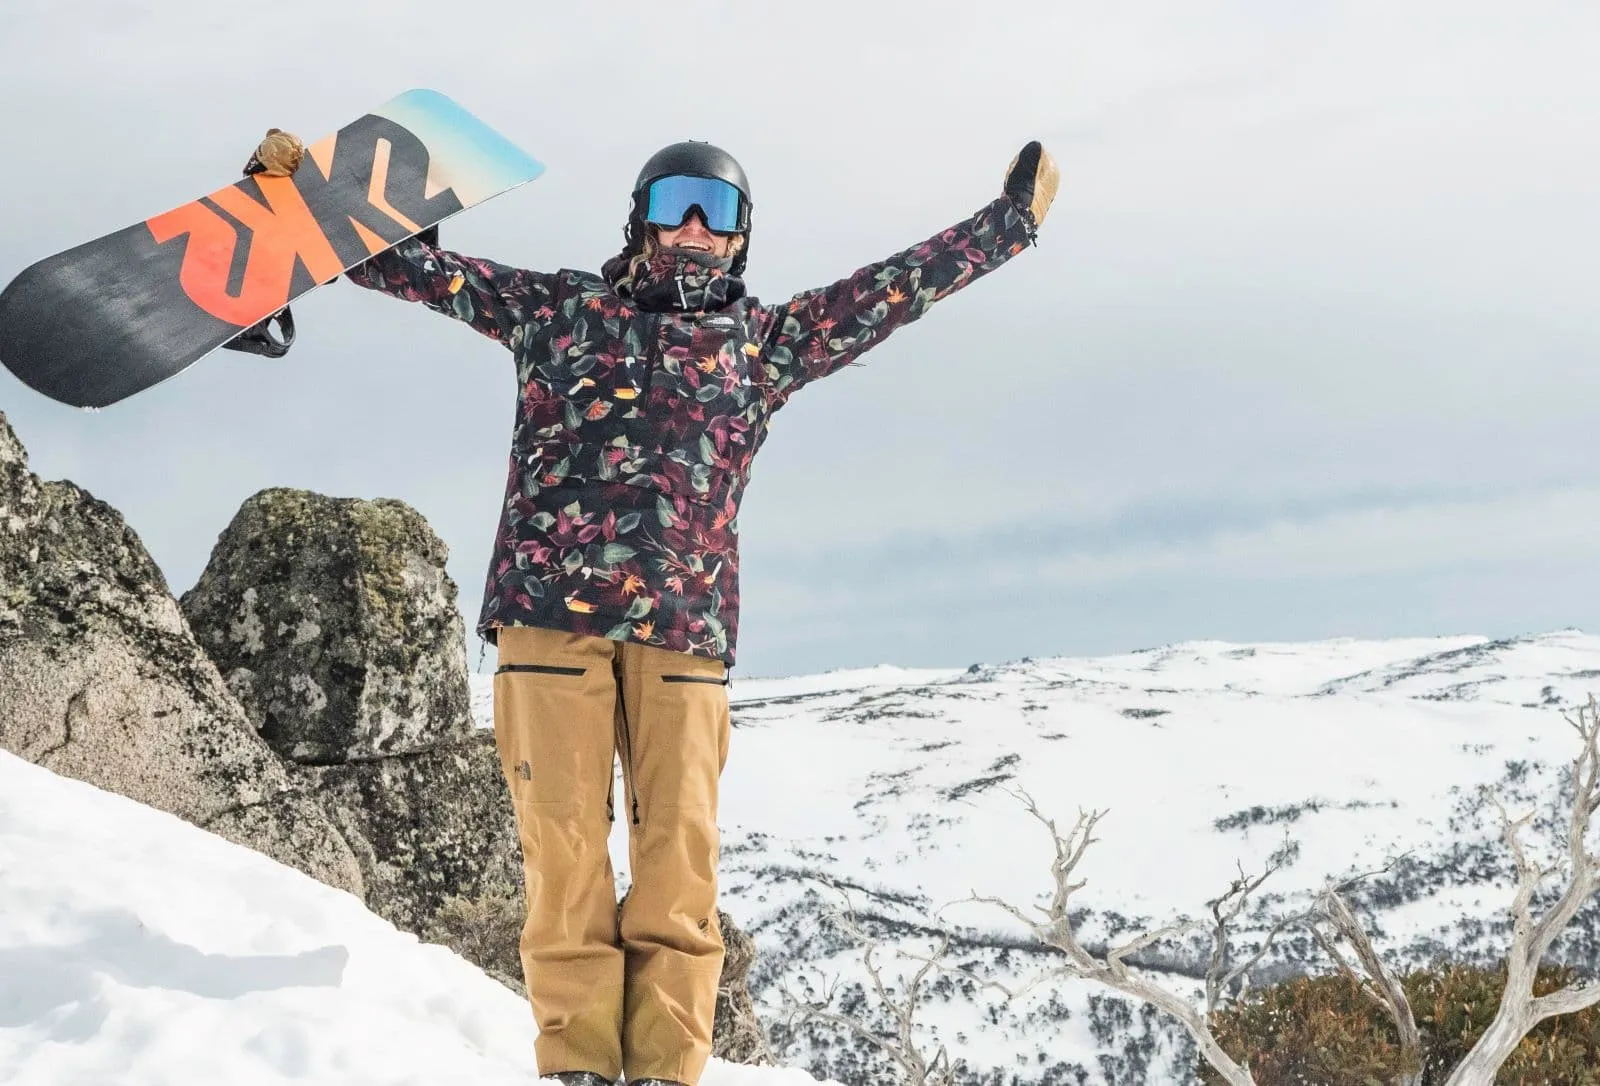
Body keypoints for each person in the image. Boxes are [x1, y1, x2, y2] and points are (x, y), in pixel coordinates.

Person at [247, 127, 1058, 1086]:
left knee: (678, 867)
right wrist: (297, 204)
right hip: (550, 623)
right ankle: (580, 1064)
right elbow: (423, 271)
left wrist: (1006, 228)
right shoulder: (559, 311)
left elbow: (892, 291)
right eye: (674, 203)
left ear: (741, 239)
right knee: (564, 856)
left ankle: (669, 1069)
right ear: (640, 219)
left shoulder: (764, 345)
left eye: (715, 213)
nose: (692, 229)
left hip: (686, 640)